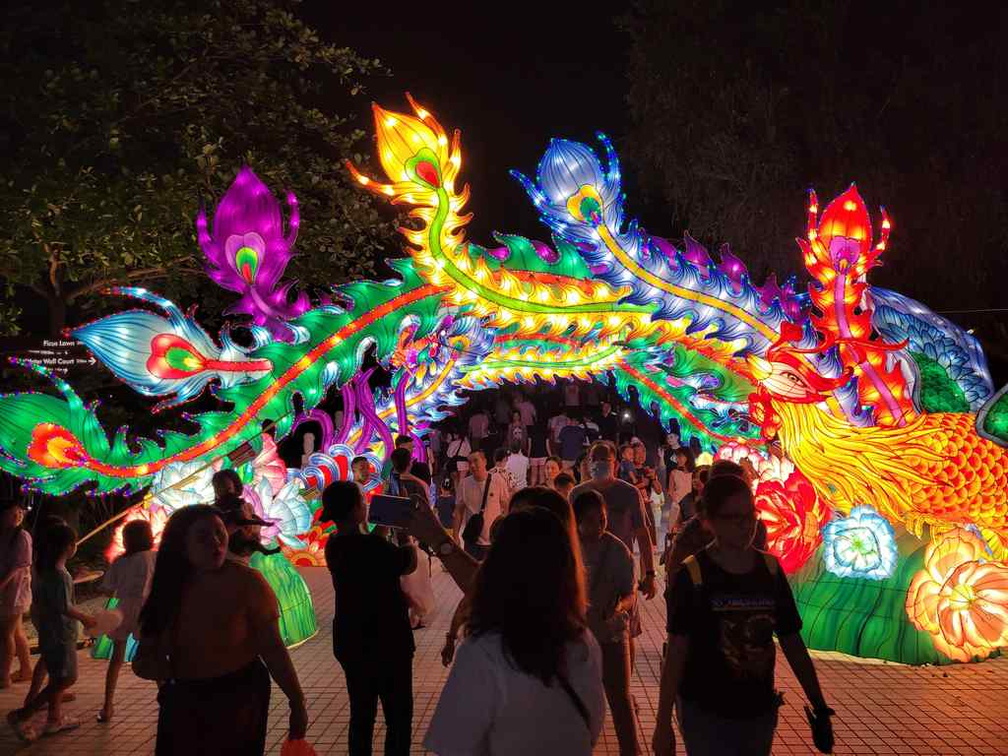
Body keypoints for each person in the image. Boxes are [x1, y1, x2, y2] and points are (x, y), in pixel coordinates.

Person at [653, 475, 833, 756]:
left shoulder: (770, 570)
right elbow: (676, 651)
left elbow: (792, 642)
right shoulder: (694, 574)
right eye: (733, 517)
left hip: (757, 711)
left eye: (750, 514)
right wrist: (663, 723)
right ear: (709, 520)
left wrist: (819, 706)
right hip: (704, 713)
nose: (746, 525)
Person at [424, 508, 605, 755]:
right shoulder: (584, 643)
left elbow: (453, 744)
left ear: (497, 568)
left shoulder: (484, 652)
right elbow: (591, 731)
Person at [139, 506, 307, 754]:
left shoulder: (248, 582)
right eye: (203, 536)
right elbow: (144, 658)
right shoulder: (167, 588)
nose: (216, 542)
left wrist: (297, 701)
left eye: (219, 532)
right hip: (185, 702)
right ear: (180, 544)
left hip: (240, 698)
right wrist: (163, 673)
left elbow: (273, 649)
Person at [325, 481, 417, 755]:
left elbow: (369, 549)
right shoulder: (374, 548)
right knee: (398, 717)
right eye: (363, 502)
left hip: (351, 640)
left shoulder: (334, 545)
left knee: (362, 715)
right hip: (389, 641)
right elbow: (408, 562)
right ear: (356, 510)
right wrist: (403, 533)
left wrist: (383, 526)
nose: (366, 505)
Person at [7, 522, 95, 741]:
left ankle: (54, 719)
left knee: (57, 675)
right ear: (67, 547)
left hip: (48, 631)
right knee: (67, 677)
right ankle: (22, 715)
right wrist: (86, 618)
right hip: (61, 633)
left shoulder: (43, 570)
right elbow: (64, 606)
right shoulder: (59, 575)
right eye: (73, 543)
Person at [573, 490, 639, 756]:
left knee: (620, 701)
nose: (598, 526)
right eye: (590, 521)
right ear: (575, 520)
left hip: (611, 636)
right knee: (577, 703)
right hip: (576, 639)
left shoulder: (618, 550)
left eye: (601, 520)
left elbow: (631, 593)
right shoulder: (568, 549)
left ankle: (631, 752)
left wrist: (620, 605)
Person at [572, 443, 658, 600]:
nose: (599, 463)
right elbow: (568, 534)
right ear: (588, 463)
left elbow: (643, 534)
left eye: (604, 459)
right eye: (594, 459)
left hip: (620, 571)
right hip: (586, 572)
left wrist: (650, 574)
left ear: (616, 464)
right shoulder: (577, 494)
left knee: (624, 618)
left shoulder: (630, 493)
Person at [95, 519, 156, 723]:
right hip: (146, 609)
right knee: (152, 654)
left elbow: (107, 589)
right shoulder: (153, 557)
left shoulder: (120, 561)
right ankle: (165, 698)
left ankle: (107, 705)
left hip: (121, 610)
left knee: (116, 658)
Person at [454, 451, 510, 561]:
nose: (472, 465)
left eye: (476, 461)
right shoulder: (464, 484)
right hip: (472, 541)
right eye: (469, 462)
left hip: (493, 540)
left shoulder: (498, 480)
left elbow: (506, 507)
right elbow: (458, 511)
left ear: (485, 462)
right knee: (471, 574)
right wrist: (455, 535)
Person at [0, 497, 31, 689]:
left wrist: (2, 584)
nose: (17, 516)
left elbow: (20, 565)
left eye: (20, 512)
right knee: (16, 632)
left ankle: (4, 677)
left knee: (6, 634)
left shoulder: (22, 536)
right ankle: (26, 670)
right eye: (12, 513)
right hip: (8, 589)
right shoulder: (5, 535)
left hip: (16, 590)